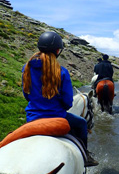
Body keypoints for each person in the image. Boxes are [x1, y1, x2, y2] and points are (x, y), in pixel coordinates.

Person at [22, 31, 98, 167]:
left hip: (32, 117)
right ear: (57, 51)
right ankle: (86, 157)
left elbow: (27, 95)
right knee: (81, 123)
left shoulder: (26, 68)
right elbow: (68, 102)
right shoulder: (61, 72)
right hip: (57, 116)